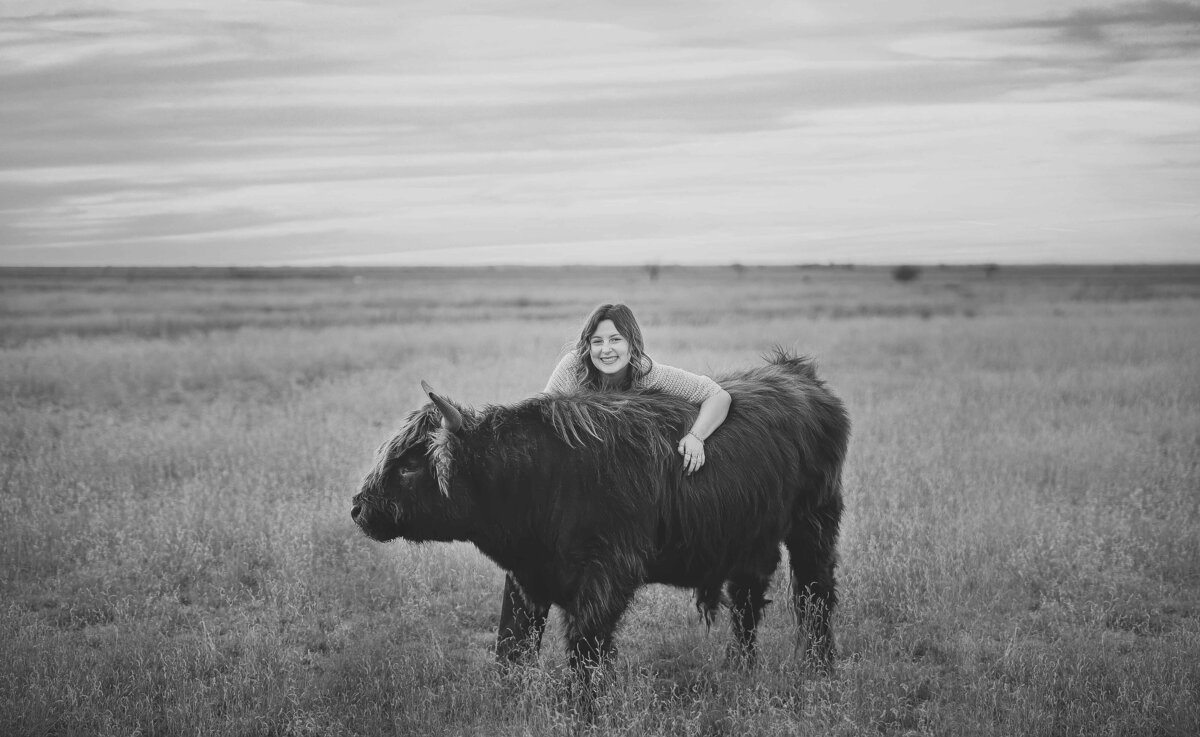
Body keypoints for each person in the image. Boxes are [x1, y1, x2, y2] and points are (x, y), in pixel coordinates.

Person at [496, 302, 733, 661]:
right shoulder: (573, 371)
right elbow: (540, 424)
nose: (606, 349)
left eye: (615, 339)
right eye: (597, 341)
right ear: (587, 346)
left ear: (632, 345)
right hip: (567, 485)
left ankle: (591, 651)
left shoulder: (648, 373)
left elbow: (717, 395)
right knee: (529, 553)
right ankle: (513, 661)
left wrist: (697, 436)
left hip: (614, 495)